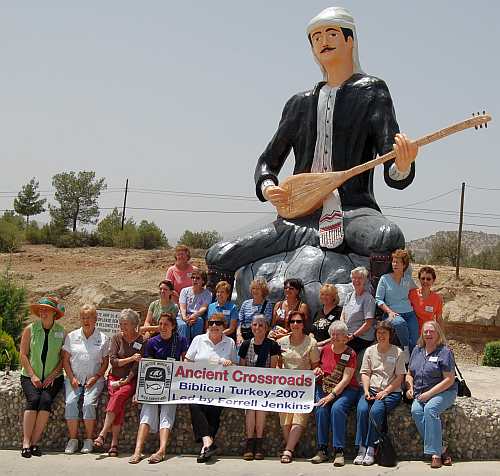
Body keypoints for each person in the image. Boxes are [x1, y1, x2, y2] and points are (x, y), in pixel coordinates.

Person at [206, 6, 418, 289]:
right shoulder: (299, 103)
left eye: (331, 34)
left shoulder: (372, 91)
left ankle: (378, 314)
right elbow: (268, 162)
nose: (323, 42)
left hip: (352, 212)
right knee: (219, 255)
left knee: (386, 236)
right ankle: (219, 321)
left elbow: (390, 157)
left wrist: (401, 165)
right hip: (300, 216)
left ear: (350, 41)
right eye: (316, 37)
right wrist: (270, 187)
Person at [129, 313, 188, 464]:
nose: (162, 327)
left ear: (173, 326)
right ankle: (138, 451)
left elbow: (186, 363)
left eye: (166, 324)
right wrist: (139, 391)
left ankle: (161, 450)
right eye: (160, 324)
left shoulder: (180, 340)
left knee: (167, 414)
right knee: (147, 413)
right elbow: (145, 368)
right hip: (153, 384)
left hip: (172, 386)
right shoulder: (151, 342)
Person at [185, 312, 238, 463]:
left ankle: (205, 447)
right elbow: (187, 361)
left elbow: (235, 366)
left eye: (218, 323)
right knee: (195, 405)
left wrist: (230, 364)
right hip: (198, 385)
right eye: (211, 323)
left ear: (224, 327)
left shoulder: (230, 343)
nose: (214, 326)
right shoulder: (198, 340)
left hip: (219, 387)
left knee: (214, 411)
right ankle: (208, 443)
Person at [406, 321, 457, 469]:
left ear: (438, 333)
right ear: (422, 333)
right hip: (420, 393)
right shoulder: (417, 350)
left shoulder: (445, 352)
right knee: (416, 411)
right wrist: (410, 387)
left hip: (444, 392)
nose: (428, 334)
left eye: (431, 331)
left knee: (430, 409)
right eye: (425, 331)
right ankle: (441, 449)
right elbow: (409, 373)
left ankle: (435, 455)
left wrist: (428, 394)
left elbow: (449, 379)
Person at [94, 309, 144, 457]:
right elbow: (113, 362)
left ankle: (103, 434)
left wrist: (127, 380)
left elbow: (137, 366)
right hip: (114, 378)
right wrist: (130, 359)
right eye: (121, 323)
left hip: (130, 380)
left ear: (134, 324)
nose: (122, 327)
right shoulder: (116, 338)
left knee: (119, 395)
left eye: (126, 324)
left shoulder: (141, 341)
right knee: (119, 404)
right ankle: (114, 443)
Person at [19, 296, 66, 458]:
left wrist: (53, 375)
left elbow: (63, 359)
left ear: (54, 313)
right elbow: (23, 355)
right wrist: (33, 376)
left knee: (45, 401)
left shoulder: (61, 332)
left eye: (46, 310)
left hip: (54, 377)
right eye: (41, 310)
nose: (43, 312)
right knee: (34, 400)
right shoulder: (30, 329)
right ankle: (26, 442)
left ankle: (34, 443)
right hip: (30, 376)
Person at [354, 321, 406, 465]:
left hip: (391, 392)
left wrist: (386, 391)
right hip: (370, 390)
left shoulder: (398, 352)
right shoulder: (369, 351)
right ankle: (361, 448)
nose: (381, 335)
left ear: (390, 335)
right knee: (362, 409)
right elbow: (365, 373)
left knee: (375, 411)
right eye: (378, 333)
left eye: (384, 333)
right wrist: (365, 391)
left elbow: (400, 377)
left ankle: (371, 448)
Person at [311, 320, 360, 466]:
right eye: (333, 334)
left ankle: (339, 451)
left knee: (337, 409)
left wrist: (332, 396)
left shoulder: (350, 353)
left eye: (339, 334)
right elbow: (317, 368)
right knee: (321, 409)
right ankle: (322, 450)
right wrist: (317, 370)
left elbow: (346, 379)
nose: (335, 336)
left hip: (346, 389)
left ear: (345, 337)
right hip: (324, 386)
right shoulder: (324, 349)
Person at [62, 304, 109, 454]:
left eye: (89, 317)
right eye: (83, 317)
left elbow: (105, 362)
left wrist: (96, 377)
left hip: (94, 380)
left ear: (95, 319)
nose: (85, 320)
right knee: (70, 403)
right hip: (74, 379)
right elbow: (65, 360)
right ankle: (73, 439)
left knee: (88, 404)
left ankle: (89, 440)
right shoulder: (72, 336)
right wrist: (71, 378)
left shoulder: (103, 338)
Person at [277, 311, 320, 463]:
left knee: (298, 416)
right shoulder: (281, 342)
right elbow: (276, 365)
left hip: (303, 388)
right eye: (293, 321)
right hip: (284, 388)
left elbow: (315, 366)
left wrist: (316, 371)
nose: (295, 324)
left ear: (303, 324)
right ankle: (292, 445)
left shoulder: (311, 343)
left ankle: (288, 450)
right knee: (285, 419)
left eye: (299, 321)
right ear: (288, 324)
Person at [238, 315, 281, 460]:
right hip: (249, 388)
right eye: (255, 325)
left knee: (261, 409)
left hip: (265, 387)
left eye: (261, 325)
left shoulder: (273, 345)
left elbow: (273, 368)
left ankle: (259, 442)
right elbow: (241, 369)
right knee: (250, 409)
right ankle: (250, 442)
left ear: (266, 327)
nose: (257, 328)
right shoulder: (245, 345)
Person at [375, 249, 418, 358]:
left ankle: (413, 364)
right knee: (399, 324)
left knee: (414, 339)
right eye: (393, 262)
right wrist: (389, 312)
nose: (394, 264)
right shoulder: (384, 279)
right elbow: (378, 299)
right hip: (392, 313)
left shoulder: (408, 279)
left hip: (409, 313)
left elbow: (417, 291)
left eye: (397, 262)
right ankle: (405, 349)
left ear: (404, 265)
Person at [341, 267, 375, 354]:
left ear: (365, 280)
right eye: (354, 278)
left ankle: (342, 368)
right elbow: (343, 315)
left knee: (344, 351)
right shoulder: (349, 295)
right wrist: (342, 330)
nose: (356, 280)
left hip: (361, 336)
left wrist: (352, 336)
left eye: (359, 278)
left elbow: (368, 324)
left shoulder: (368, 298)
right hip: (347, 333)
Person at [176, 269, 212, 344]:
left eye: (198, 278)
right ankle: (184, 349)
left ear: (203, 281)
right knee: (183, 326)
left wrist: (195, 315)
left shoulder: (208, 294)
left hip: (197, 316)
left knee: (199, 321)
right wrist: (185, 318)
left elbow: (204, 307)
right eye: (193, 278)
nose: (195, 280)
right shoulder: (184, 291)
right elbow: (182, 307)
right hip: (183, 316)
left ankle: (196, 346)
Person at [238, 278, 274, 343]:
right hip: (244, 335)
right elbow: (240, 322)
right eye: (253, 288)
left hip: (259, 336)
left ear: (263, 290)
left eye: (258, 289)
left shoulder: (267, 305)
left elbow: (266, 324)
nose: (255, 291)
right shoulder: (245, 303)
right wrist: (239, 335)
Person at [409, 266, 443, 333]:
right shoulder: (411, 294)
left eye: (428, 279)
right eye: (423, 278)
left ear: (433, 280)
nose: (425, 281)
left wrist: (442, 337)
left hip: (428, 333)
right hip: (412, 332)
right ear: (419, 279)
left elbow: (439, 319)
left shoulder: (437, 298)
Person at [310, 283, 343, 348]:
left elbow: (340, 334)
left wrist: (321, 344)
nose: (324, 297)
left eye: (327, 295)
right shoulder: (318, 312)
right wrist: (311, 341)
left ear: (333, 297)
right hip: (315, 346)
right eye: (322, 294)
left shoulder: (339, 312)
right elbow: (312, 332)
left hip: (329, 346)